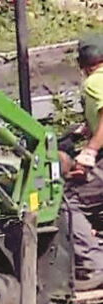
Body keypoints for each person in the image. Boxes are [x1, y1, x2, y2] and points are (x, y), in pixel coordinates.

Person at [59, 33, 103, 290]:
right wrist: (86, 130)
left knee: (65, 202)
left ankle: (94, 265)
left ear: (83, 64)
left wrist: (89, 152)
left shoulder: (94, 83)